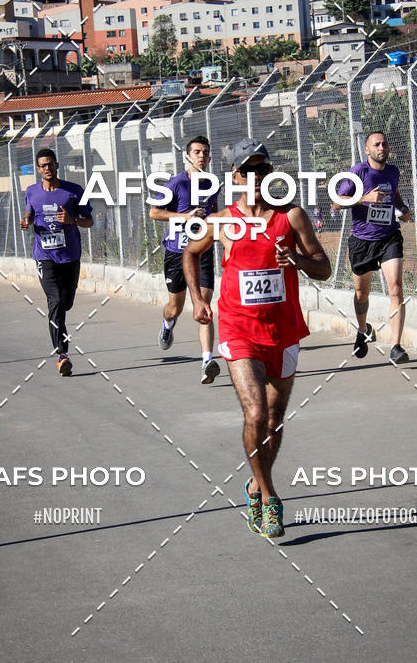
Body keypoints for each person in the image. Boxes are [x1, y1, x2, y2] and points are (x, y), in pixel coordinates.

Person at [183, 139, 331, 538]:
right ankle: (269, 497)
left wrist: (297, 260)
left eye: (262, 169)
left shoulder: (292, 217)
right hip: (237, 329)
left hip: (283, 331)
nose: (256, 177)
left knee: (275, 420)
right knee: (256, 416)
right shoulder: (221, 221)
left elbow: (324, 268)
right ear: (235, 177)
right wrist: (198, 299)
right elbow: (190, 253)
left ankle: (253, 483)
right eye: (248, 170)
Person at [334, 131, 412, 365]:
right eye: (376, 144)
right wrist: (363, 198)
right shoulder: (358, 172)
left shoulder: (393, 172)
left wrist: (403, 209)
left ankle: (396, 346)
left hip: (389, 237)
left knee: (396, 288)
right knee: (361, 294)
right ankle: (362, 329)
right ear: (367, 150)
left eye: (384, 143)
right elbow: (337, 202)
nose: (381, 147)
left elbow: (395, 194)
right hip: (362, 241)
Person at [149, 135, 221, 385]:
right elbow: (154, 212)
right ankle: (168, 324)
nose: (202, 156)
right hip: (176, 253)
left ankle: (206, 362)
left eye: (205, 152)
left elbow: (215, 213)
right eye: (197, 152)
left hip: (202, 251)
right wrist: (184, 217)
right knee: (175, 307)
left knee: (204, 305)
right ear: (188, 156)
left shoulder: (213, 184)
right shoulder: (175, 183)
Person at [20, 148, 94, 376]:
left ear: (57, 165)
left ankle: (61, 348)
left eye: (51, 164)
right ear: (38, 169)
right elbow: (30, 215)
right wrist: (26, 221)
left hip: (70, 256)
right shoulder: (32, 192)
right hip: (45, 257)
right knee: (55, 303)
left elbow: (89, 221)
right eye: (43, 165)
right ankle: (62, 354)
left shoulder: (73, 191)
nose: (47, 168)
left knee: (66, 302)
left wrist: (72, 220)